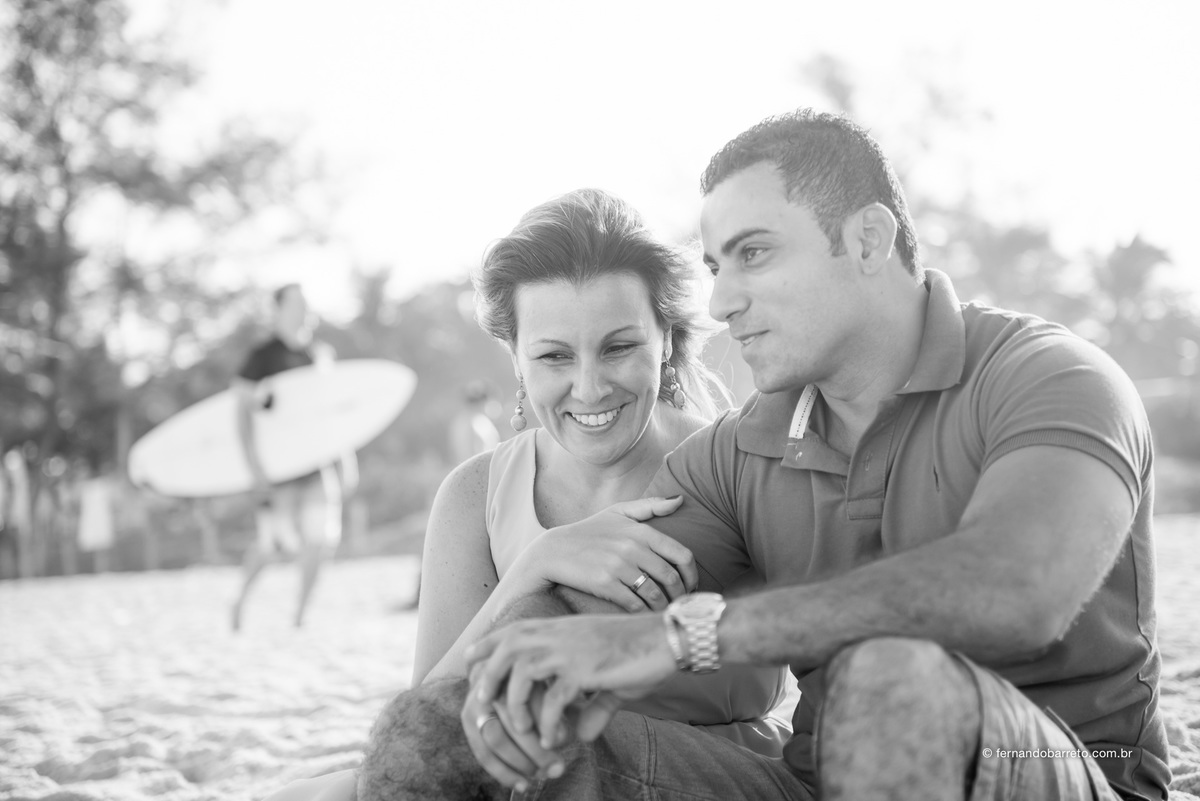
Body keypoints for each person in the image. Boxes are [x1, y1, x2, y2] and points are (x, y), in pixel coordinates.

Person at [357, 110, 1171, 801]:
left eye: (753, 253)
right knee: (451, 734)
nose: (720, 301)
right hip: (813, 784)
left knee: (892, 682)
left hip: (1060, 766)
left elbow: (1018, 591)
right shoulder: (737, 452)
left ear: (868, 239)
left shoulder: (1054, 379)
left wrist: (681, 639)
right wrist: (510, 675)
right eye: (715, 266)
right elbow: (573, 625)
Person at [264, 189, 791, 801]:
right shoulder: (476, 495)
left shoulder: (740, 467)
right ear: (515, 358)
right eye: (554, 356)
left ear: (666, 339)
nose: (589, 388)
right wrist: (533, 567)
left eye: (619, 347)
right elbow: (428, 728)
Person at [230, 283, 355, 631]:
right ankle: (240, 600)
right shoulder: (262, 356)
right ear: (279, 310)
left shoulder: (320, 354)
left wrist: (345, 459)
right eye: (296, 304)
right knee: (272, 545)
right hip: (279, 468)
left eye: (306, 303)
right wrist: (254, 465)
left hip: (316, 466)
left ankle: (300, 614)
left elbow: (330, 414)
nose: (304, 310)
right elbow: (241, 411)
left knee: (321, 540)